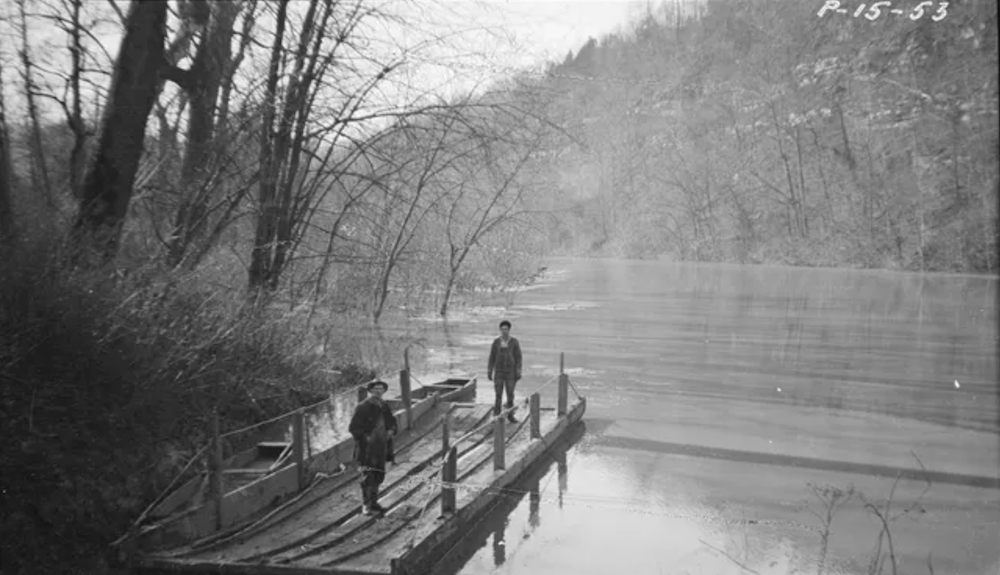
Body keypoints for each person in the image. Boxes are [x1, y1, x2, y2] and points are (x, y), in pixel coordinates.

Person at [349, 380, 398, 516]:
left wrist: (391, 430)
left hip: (382, 446)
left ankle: (374, 502)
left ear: (384, 391)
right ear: (370, 391)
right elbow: (353, 428)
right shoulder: (363, 407)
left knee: (378, 474)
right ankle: (366, 505)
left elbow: (392, 421)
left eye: (381, 389)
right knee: (367, 476)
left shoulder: (384, 405)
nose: (378, 391)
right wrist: (366, 438)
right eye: (375, 389)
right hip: (367, 450)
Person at [487, 320, 522, 423]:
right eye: (502, 329)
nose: (504, 331)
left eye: (506, 329)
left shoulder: (514, 342)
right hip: (499, 372)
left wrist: (518, 371)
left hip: (510, 372)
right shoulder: (496, 342)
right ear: (500, 330)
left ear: (509, 330)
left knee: (510, 394)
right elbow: (491, 357)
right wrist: (490, 370)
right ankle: (497, 415)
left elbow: (518, 358)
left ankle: (510, 415)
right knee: (498, 394)